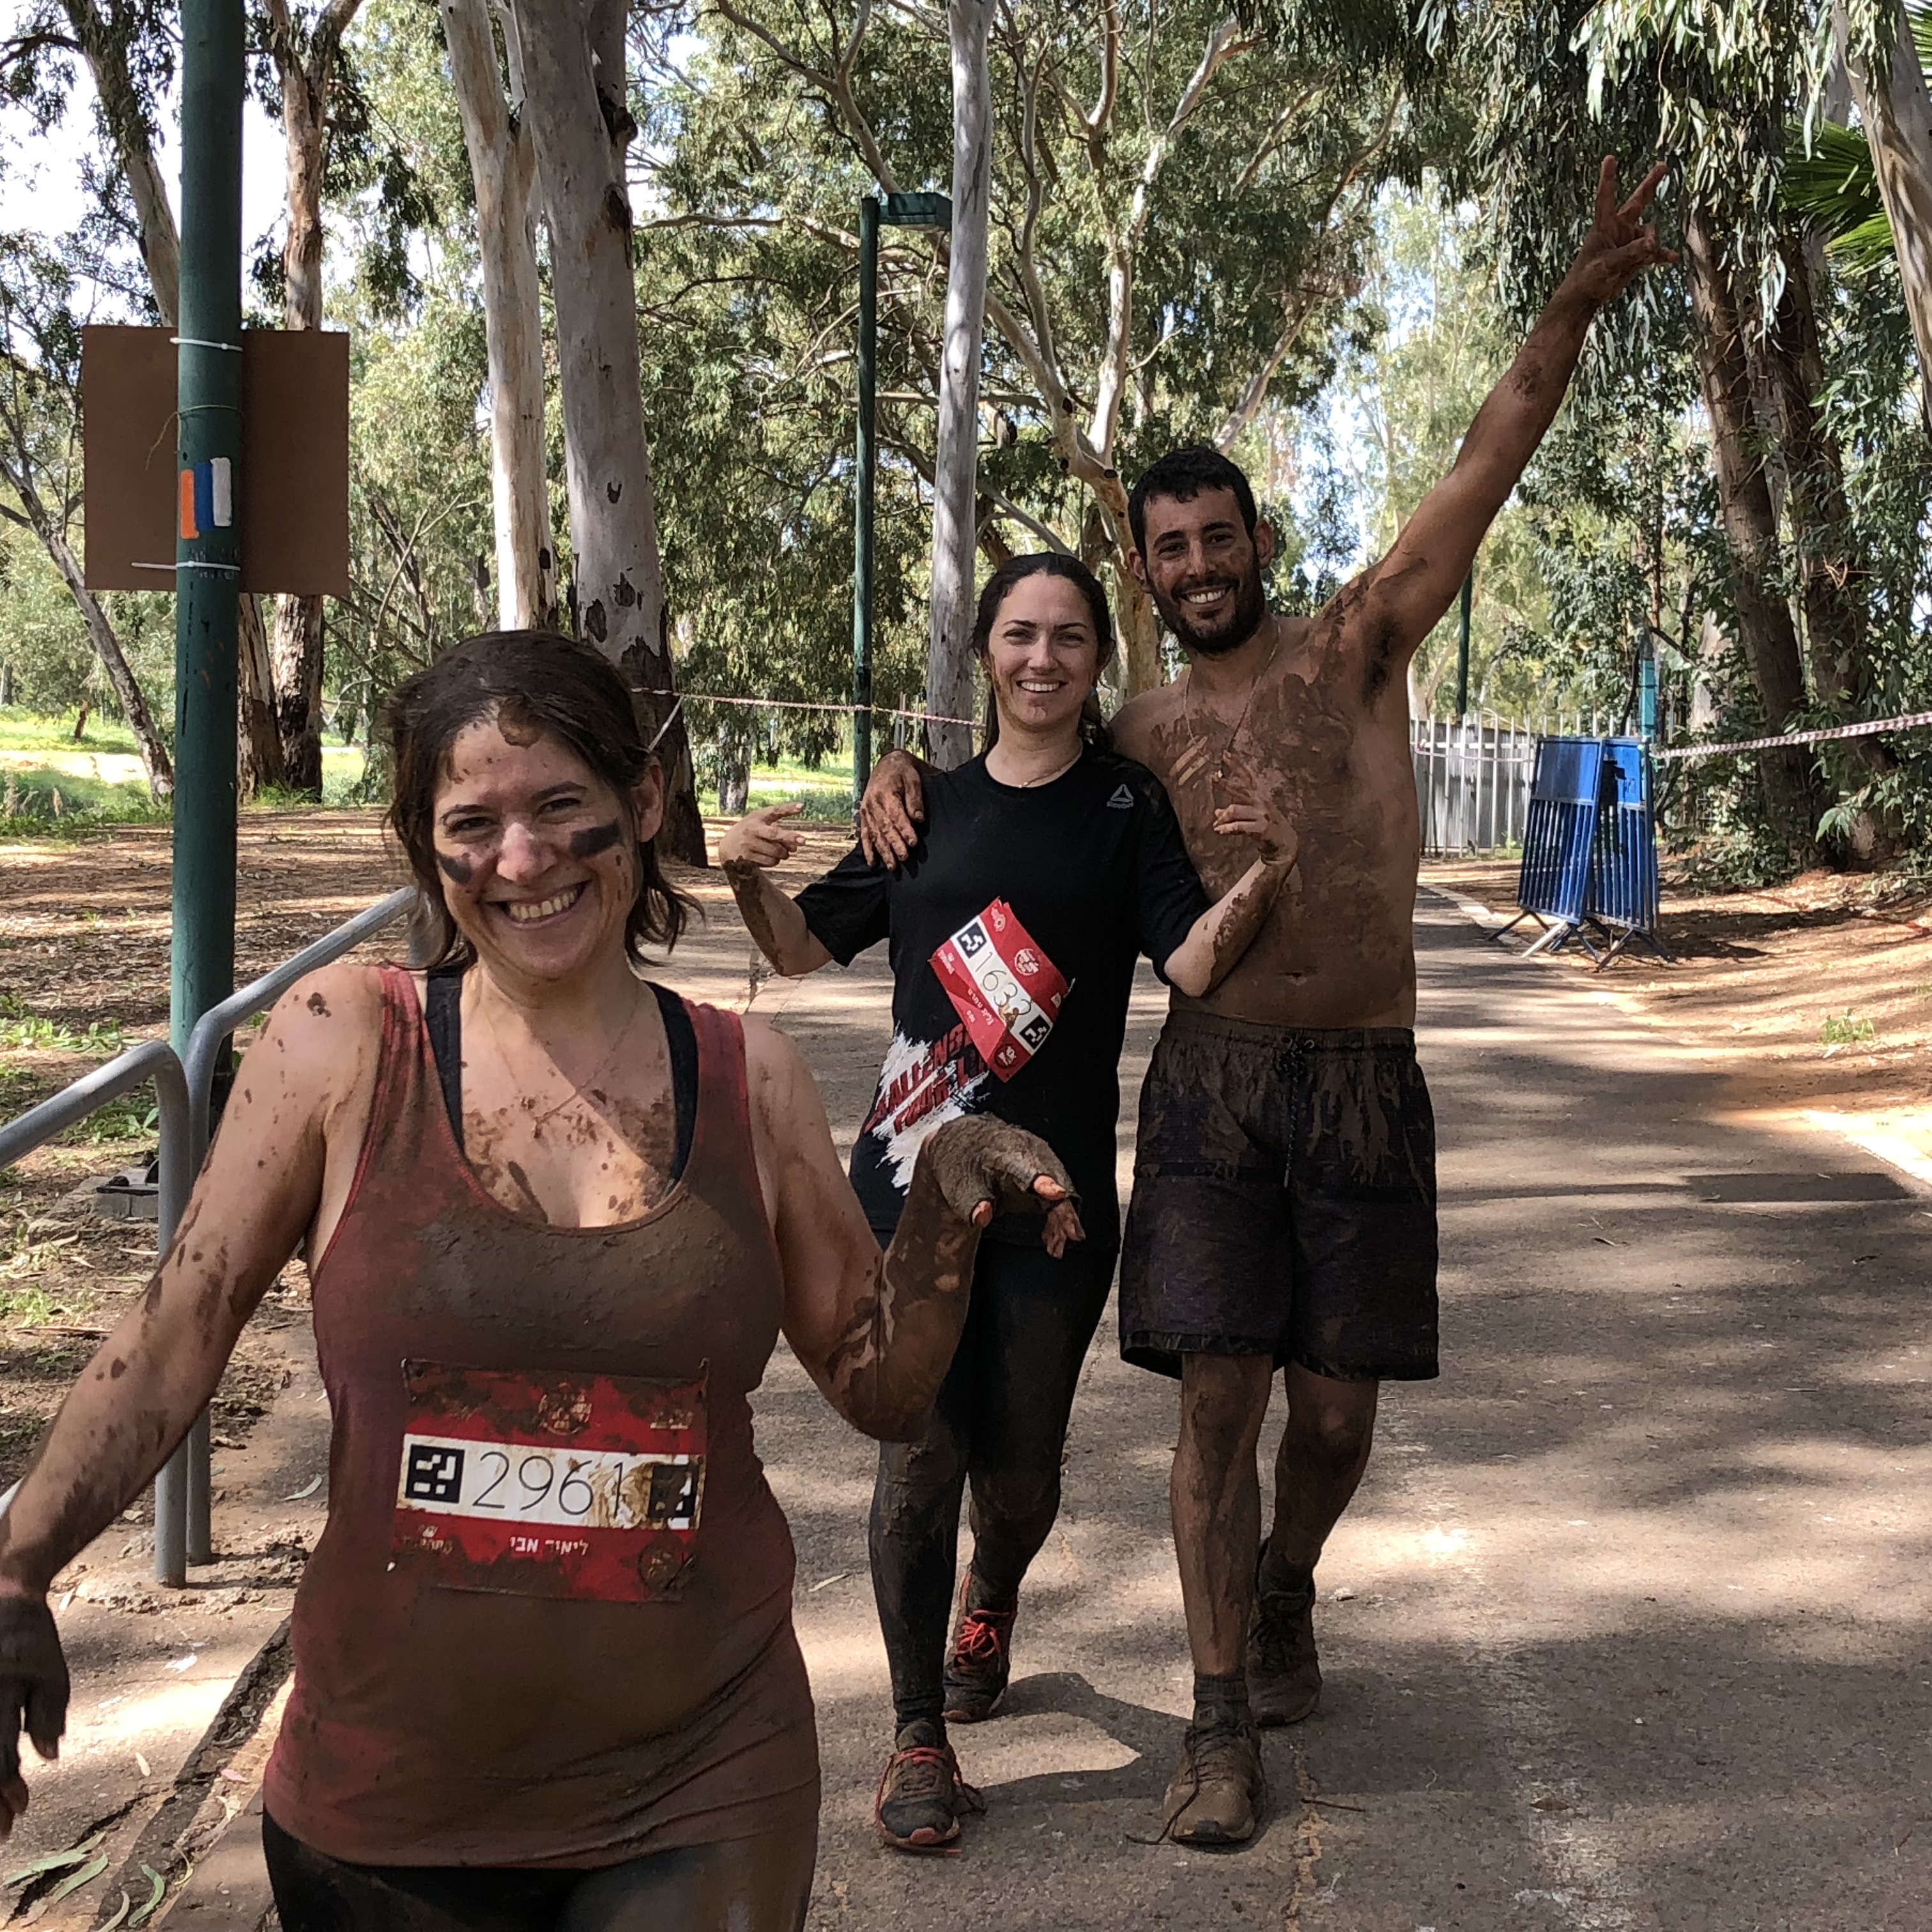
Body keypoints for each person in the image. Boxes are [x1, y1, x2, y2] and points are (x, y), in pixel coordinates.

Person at [0, 631, 1078, 1932]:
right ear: (424, 842)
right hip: (386, 1797)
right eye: (475, 821)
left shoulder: (754, 1081)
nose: (525, 859)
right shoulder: (345, 1043)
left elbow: (885, 1385)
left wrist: (950, 1189)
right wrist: (21, 1566)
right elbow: (181, 1326)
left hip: (703, 1777)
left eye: (565, 806)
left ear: (645, 806)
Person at [857, 160, 1675, 1846]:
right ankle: (1216, 1726)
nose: (1198, 562)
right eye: (1169, 548)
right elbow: (1000, 782)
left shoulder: (1360, 644)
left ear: (1256, 545)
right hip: (1215, 1089)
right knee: (1220, 1395)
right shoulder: (1134, 734)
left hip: (1368, 1076)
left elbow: (1479, 467)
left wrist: (1570, 313)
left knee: (1337, 1410)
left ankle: (1288, 1583)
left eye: (1219, 536)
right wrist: (895, 776)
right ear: (1144, 572)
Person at [719, 553, 1296, 1853]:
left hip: (1055, 1202)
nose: (1044, 659)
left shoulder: (1123, 809)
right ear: (986, 651)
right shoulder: (920, 810)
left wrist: (1272, 873)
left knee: (1021, 1467)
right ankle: (916, 1736)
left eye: (1071, 639)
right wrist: (744, 872)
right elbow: (799, 949)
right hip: (907, 1183)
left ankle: (996, 1584)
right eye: (1021, 635)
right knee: (918, 1443)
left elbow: (1192, 958)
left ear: (1100, 661)